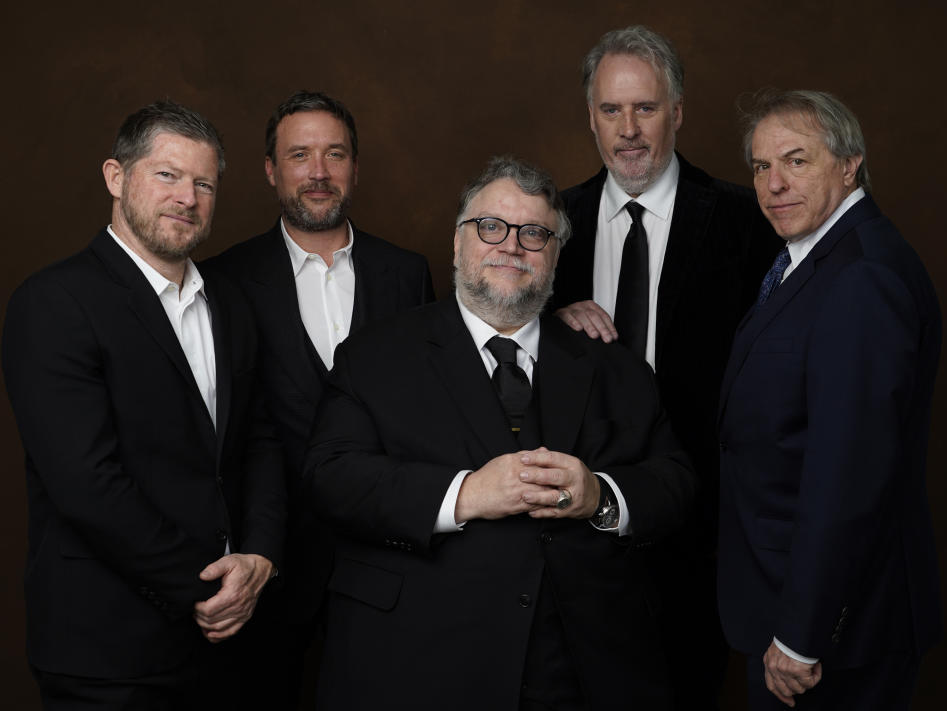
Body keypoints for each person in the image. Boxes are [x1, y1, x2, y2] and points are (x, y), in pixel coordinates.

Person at [304, 155, 697, 710]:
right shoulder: (375, 355)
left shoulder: (616, 368)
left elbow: (676, 481)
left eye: (534, 233)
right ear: (459, 241)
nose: (511, 245)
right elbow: (331, 477)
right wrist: (465, 494)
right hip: (417, 660)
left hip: (580, 668)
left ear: (557, 254)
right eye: (491, 226)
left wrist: (600, 496)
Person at [2, 100, 284, 709]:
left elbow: (258, 439)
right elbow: (87, 483)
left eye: (204, 183)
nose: (188, 196)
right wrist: (207, 586)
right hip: (108, 652)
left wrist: (259, 555)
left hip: (227, 647)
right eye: (168, 175)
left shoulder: (231, 305)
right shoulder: (53, 303)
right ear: (115, 177)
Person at [551, 25, 781, 707]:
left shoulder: (745, 221)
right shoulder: (552, 223)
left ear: (677, 112)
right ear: (590, 117)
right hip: (579, 533)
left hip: (702, 531)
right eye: (611, 110)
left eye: (645, 108)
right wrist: (550, 321)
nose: (628, 129)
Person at [204, 90, 434, 707]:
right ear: (271, 170)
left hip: (391, 563)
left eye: (334, 154)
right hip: (271, 567)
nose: (318, 172)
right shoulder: (223, 279)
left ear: (355, 168)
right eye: (300, 155)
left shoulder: (407, 273)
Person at [717, 89, 941, 710]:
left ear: (849, 165)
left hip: (832, 631)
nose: (773, 184)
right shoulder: (812, 258)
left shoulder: (862, 277)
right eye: (761, 166)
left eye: (796, 160)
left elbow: (849, 473)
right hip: (789, 600)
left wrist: (800, 635)